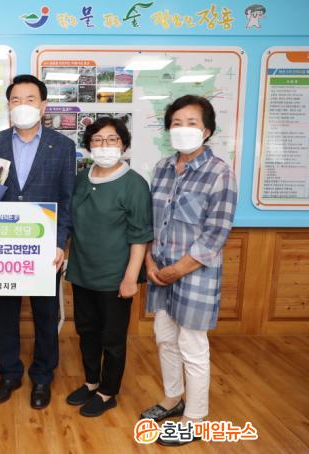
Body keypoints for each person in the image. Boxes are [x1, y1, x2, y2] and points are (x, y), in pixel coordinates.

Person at [140, 95, 237, 447]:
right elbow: (152, 223)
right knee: (164, 337)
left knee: (192, 346)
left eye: (191, 123)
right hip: (159, 272)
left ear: (207, 130)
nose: (183, 129)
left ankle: (195, 418)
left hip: (194, 275)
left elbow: (215, 235)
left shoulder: (220, 173)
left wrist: (176, 270)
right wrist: (151, 263)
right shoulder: (163, 168)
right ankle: (172, 398)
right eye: (176, 123)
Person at [0, 74, 76, 409]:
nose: (23, 105)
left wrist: (60, 242)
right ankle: (9, 373)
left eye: (30, 99)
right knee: (4, 313)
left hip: (45, 247)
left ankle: (42, 377)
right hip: (4, 246)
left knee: (45, 315)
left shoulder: (62, 146)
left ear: (43, 105)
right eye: (16, 100)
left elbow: (67, 199)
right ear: (8, 106)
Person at [65, 117, 152, 417]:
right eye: (97, 140)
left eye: (112, 139)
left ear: (123, 144)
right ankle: (91, 382)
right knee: (87, 332)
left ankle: (107, 392)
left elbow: (140, 236)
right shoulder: (81, 179)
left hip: (115, 277)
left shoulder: (134, 184)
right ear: (89, 146)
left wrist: (130, 278)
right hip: (82, 272)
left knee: (112, 339)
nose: (104, 145)